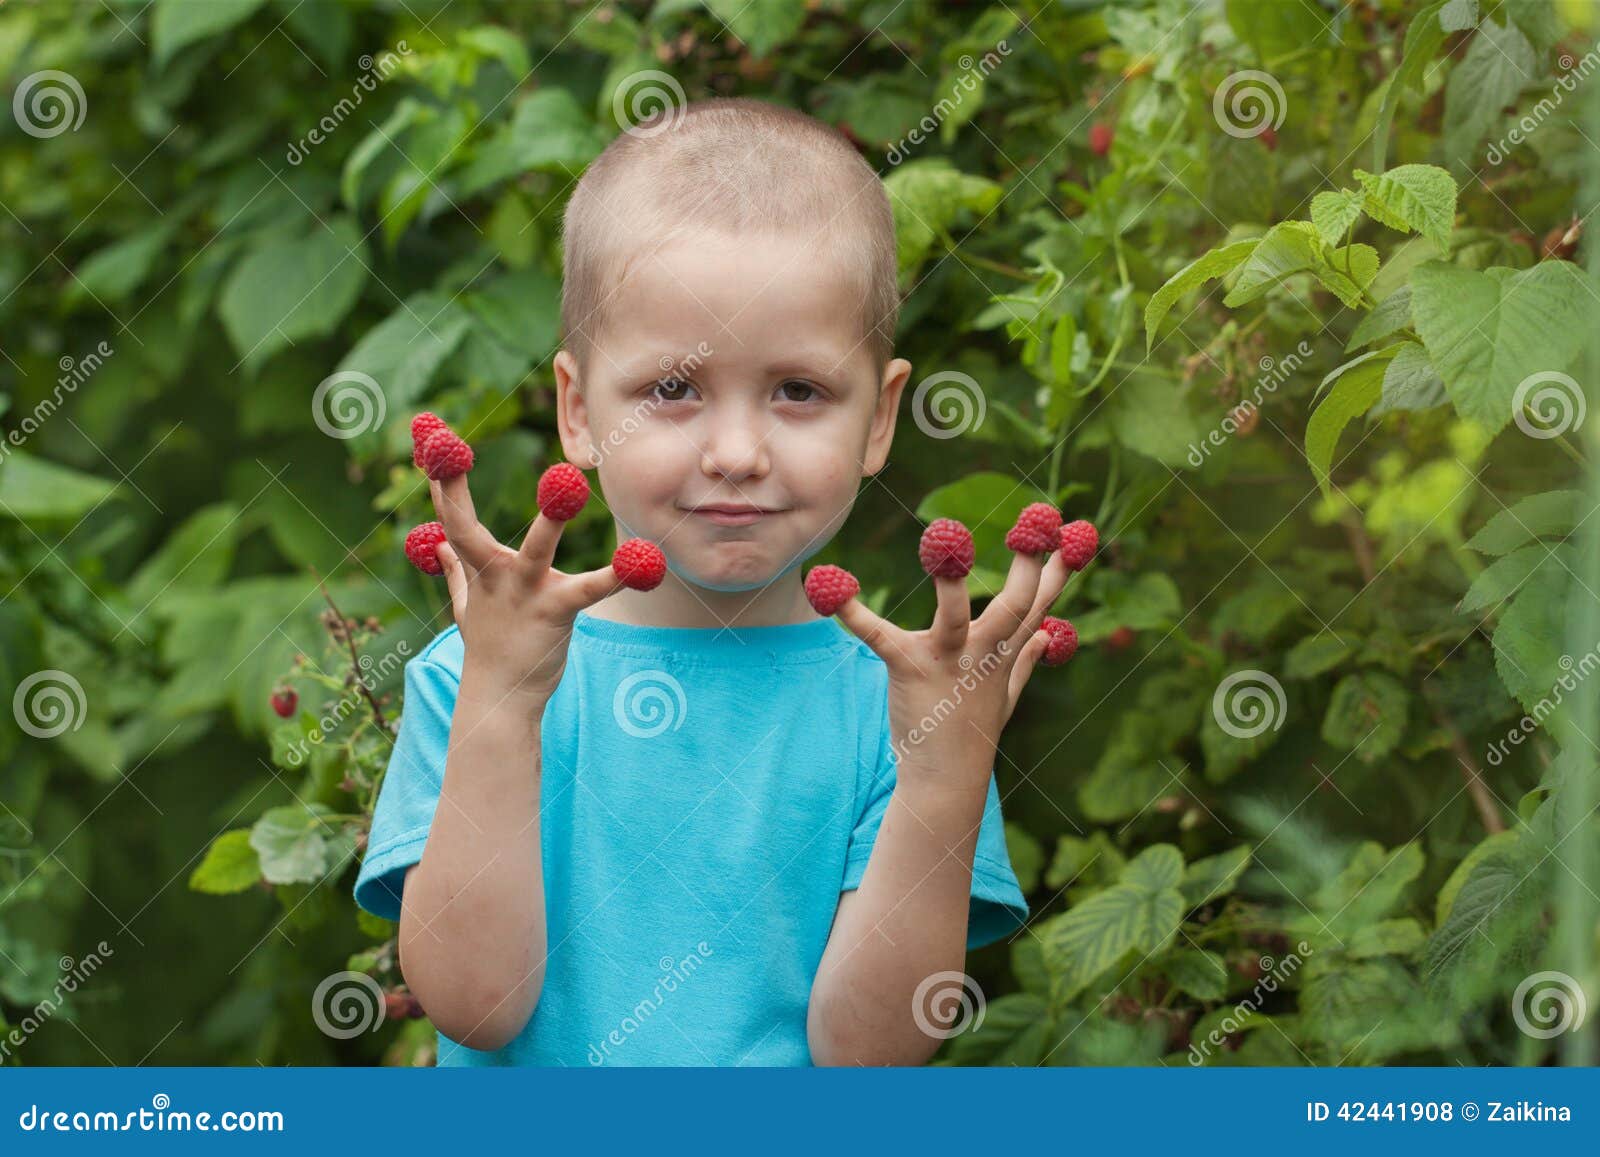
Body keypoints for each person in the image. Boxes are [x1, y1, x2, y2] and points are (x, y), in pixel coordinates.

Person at [354, 96, 1074, 1066]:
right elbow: (473, 1002)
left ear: (878, 416)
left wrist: (944, 775)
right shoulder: (471, 671)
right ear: (576, 408)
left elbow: (872, 1050)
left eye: (798, 391)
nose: (736, 451)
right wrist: (501, 703)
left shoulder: (909, 708)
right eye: (673, 388)